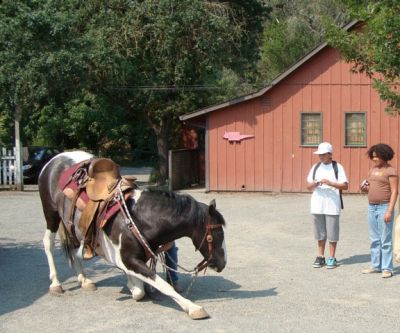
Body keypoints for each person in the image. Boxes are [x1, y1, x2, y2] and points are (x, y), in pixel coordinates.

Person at [306, 142, 349, 269]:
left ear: (330, 154)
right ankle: (320, 256)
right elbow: (308, 187)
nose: (321, 157)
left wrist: (330, 183)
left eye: (323, 155)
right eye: (319, 155)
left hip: (332, 204)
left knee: (332, 233)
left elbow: (345, 185)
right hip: (317, 204)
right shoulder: (315, 167)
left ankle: (332, 257)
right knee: (319, 233)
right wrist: (315, 183)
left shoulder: (337, 167)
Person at [360, 143, 398, 278]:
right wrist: (364, 188)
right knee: (374, 239)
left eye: (377, 157)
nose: (374, 159)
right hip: (372, 206)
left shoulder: (390, 171)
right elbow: (370, 186)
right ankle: (375, 266)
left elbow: (394, 192)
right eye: (373, 157)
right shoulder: (372, 169)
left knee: (385, 239)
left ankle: (387, 268)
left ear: (384, 156)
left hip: (384, 206)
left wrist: (389, 210)